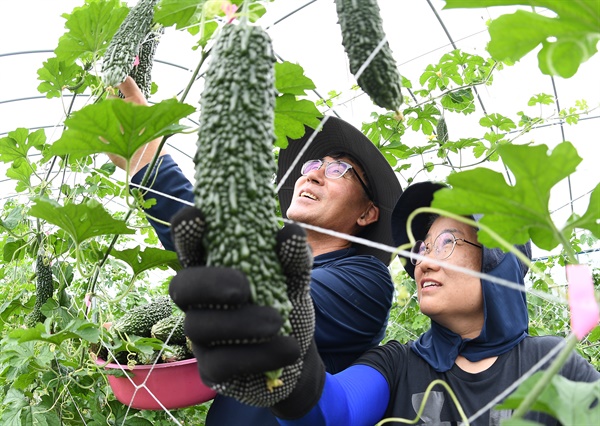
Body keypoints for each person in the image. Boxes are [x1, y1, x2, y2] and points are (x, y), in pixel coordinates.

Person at [169, 180, 600, 425]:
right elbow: (338, 410)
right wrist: (289, 368)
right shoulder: (398, 365)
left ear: (498, 261)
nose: (423, 261)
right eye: (421, 248)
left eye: (446, 242)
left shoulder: (553, 363)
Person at [112, 77, 403, 425]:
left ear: (367, 213)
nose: (313, 175)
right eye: (312, 165)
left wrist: (150, 165)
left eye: (339, 170)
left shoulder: (366, 279)